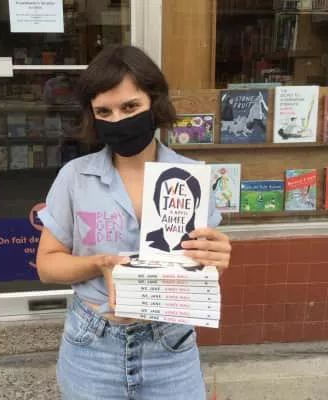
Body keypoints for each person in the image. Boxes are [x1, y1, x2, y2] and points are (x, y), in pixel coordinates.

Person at [36, 44, 232, 400]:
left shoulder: (190, 177)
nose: (118, 120)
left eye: (130, 107)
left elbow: (202, 268)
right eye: (104, 111)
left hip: (169, 346)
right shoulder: (75, 177)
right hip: (93, 346)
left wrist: (215, 261)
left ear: (153, 102)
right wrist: (100, 263)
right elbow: (47, 265)